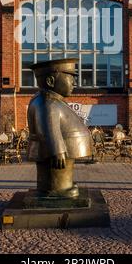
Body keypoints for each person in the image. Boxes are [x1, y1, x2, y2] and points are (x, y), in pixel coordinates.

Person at [27, 58, 93, 198]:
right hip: (56, 156)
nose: (74, 83)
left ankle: (63, 186)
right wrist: (57, 150)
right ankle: (57, 190)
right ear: (50, 81)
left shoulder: (54, 100)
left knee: (63, 175)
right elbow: (48, 130)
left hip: (65, 151)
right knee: (55, 174)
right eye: (69, 78)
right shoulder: (48, 103)